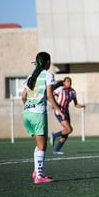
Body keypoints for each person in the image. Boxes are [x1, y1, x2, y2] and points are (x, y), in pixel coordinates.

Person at [22, 51, 63, 184]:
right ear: (48, 63)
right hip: (38, 114)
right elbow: (50, 96)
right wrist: (59, 110)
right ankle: (39, 176)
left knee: (39, 144)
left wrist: (29, 107)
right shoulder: (48, 75)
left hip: (27, 114)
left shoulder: (30, 76)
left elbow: (23, 97)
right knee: (42, 146)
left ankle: (36, 172)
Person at [50, 76, 86, 154]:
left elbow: (76, 104)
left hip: (66, 112)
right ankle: (54, 135)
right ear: (64, 82)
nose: (69, 82)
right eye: (67, 81)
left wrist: (82, 106)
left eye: (70, 81)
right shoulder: (61, 89)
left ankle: (56, 150)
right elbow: (51, 95)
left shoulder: (73, 92)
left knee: (66, 133)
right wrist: (54, 105)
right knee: (69, 129)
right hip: (59, 112)